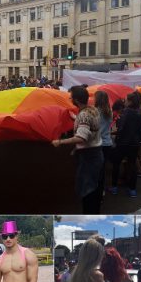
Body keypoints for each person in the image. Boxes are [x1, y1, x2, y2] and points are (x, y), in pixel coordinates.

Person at [52, 86, 104, 214]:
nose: (70, 99)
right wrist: (76, 117)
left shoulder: (83, 115)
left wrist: (60, 142)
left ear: (76, 100)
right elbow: (87, 125)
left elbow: (81, 137)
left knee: (87, 190)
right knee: (94, 187)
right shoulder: (92, 110)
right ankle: (94, 212)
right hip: (96, 153)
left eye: (71, 97)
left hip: (88, 157)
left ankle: (89, 214)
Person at [110, 93, 141, 198]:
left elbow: (120, 129)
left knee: (116, 164)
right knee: (132, 165)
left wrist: (114, 133)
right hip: (134, 144)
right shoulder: (139, 115)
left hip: (122, 143)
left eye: (125, 99)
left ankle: (114, 187)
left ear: (130, 101)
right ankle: (132, 189)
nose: (124, 101)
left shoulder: (124, 113)